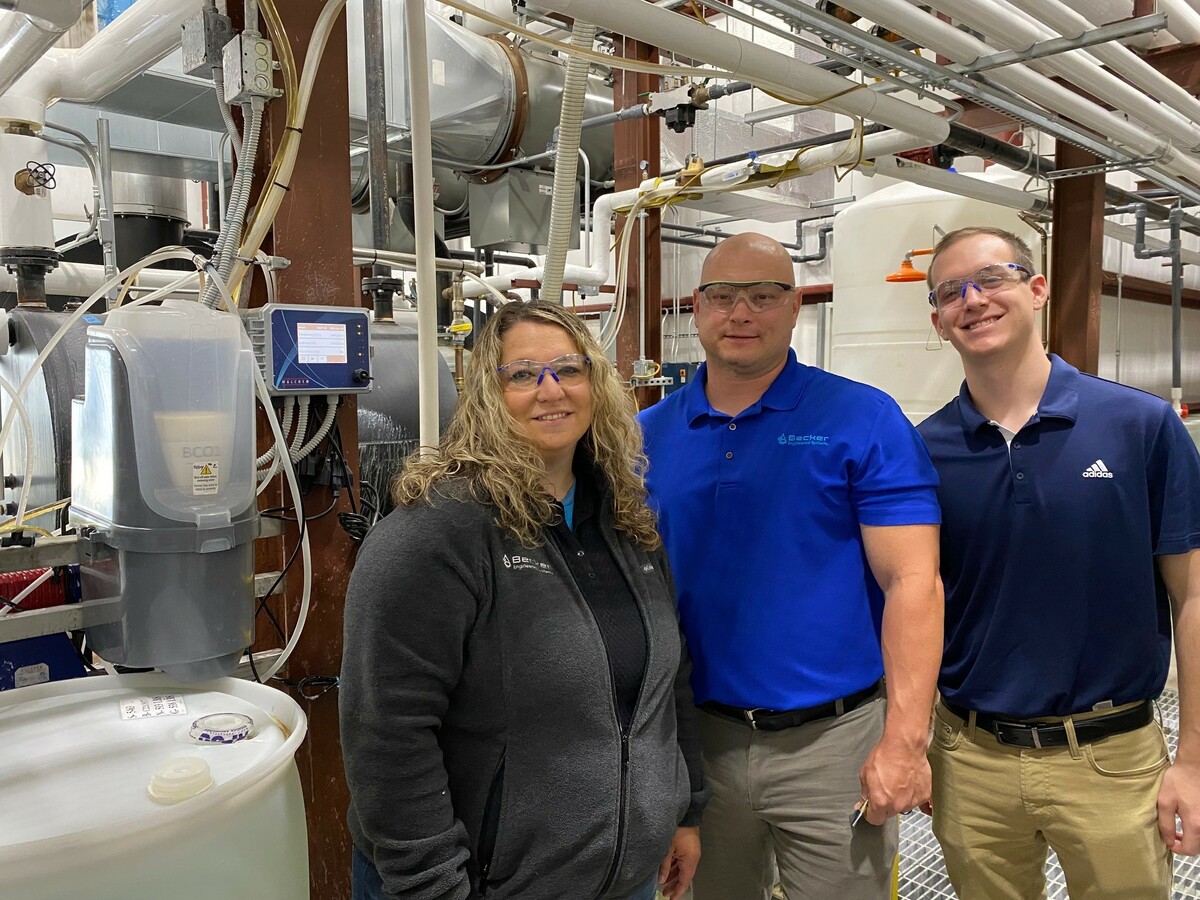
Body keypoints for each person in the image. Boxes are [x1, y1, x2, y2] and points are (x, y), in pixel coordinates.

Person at [340, 301, 707, 900]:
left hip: (625, 880)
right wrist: (433, 886)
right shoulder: (435, 533)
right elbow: (386, 733)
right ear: (487, 391)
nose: (550, 390)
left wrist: (684, 810)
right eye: (522, 374)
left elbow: (670, 681)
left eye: (568, 368)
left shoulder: (626, 524)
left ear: (596, 383)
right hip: (481, 886)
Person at [638, 232, 943, 899]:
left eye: (763, 296)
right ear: (697, 307)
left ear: (795, 306)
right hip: (698, 742)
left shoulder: (862, 418)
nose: (740, 313)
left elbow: (913, 580)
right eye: (722, 296)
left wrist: (905, 741)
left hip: (834, 742)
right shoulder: (646, 436)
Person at [918, 226, 1200, 899]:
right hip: (971, 760)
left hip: (1111, 758)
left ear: (1037, 288)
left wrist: (1191, 760)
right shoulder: (922, 450)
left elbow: (1192, 600)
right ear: (937, 322)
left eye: (992, 278)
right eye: (951, 292)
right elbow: (914, 599)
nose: (973, 299)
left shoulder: (1142, 427)